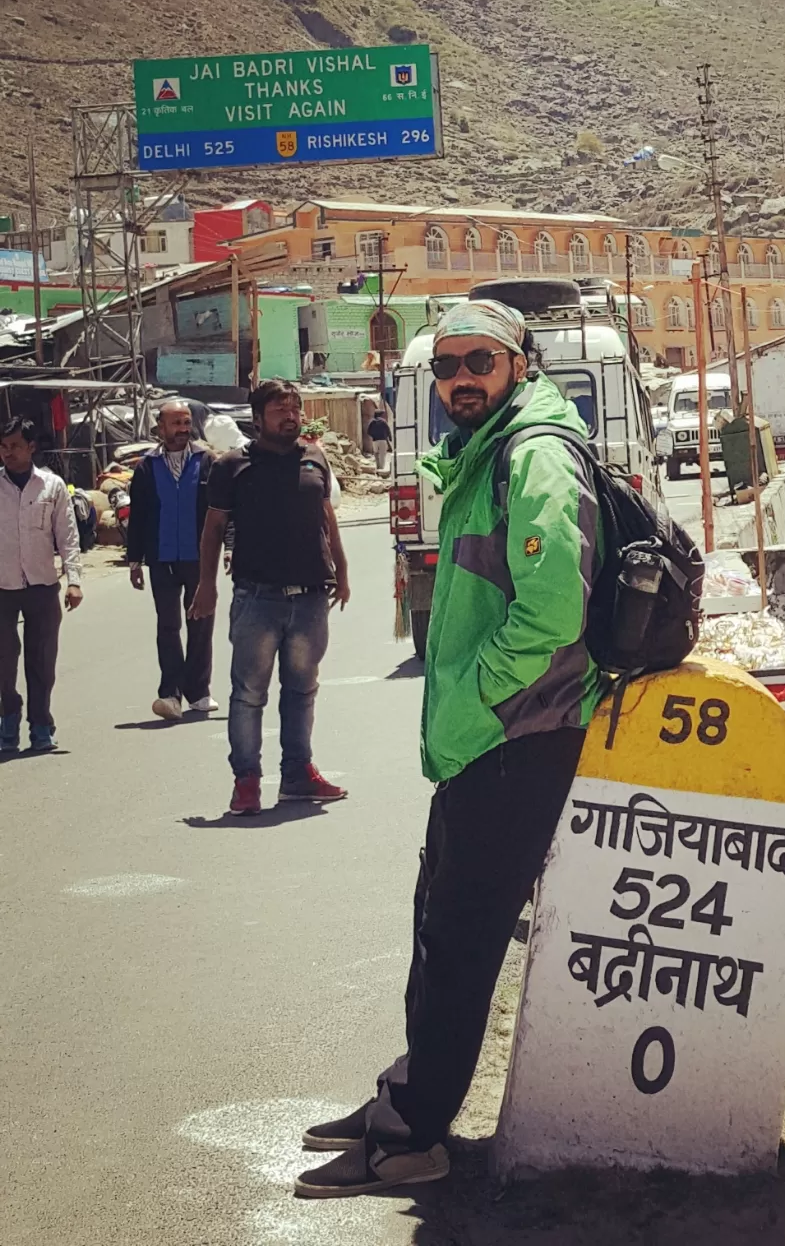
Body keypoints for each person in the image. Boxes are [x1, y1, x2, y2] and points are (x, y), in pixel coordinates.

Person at [294, 298, 602, 1199]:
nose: (460, 378)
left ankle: (417, 1138)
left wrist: (475, 697)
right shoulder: (488, 447)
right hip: (487, 740)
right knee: (441, 930)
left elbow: (552, 611)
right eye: (447, 364)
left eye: (480, 362)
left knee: (462, 939)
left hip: (516, 737)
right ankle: (406, 1096)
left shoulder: (533, 453)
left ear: (520, 364)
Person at [188, 379, 350, 815]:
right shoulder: (231, 466)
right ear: (257, 419)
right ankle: (247, 782)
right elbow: (213, 531)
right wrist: (207, 586)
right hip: (257, 597)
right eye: (280, 410)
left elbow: (325, 516)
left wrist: (342, 568)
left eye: (295, 408)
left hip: (312, 596)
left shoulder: (314, 457)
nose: (291, 415)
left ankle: (298, 776)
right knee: (248, 693)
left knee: (301, 689)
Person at [127, 399, 217, 722]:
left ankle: (199, 691)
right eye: (175, 423)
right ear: (160, 428)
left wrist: (229, 548)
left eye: (186, 422)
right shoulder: (146, 467)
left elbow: (220, 510)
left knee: (201, 623)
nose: (182, 429)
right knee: (168, 626)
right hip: (161, 558)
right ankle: (170, 693)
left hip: (199, 557)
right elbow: (137, 517)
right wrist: (134, 561)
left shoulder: (206, 461)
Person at [0, 416, 83, 752]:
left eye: (15, 446)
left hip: (42, 585)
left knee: (42, 660)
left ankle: (40, 725)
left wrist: (74, 580)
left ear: (31, 447)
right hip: (2, 586)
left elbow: (67, 535)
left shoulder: (52, 486)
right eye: (3, 447)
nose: (8, 453)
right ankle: (8, 719)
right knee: (3, 661)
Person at [367, 408, 392, 475]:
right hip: (383, 440)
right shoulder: (383, 421)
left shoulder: (372, 422)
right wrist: (389, 438)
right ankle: (381, 469)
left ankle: (377, 467)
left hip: (375, 441)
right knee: (382, 455)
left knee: (376, 454)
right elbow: (388, 430)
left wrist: (373, 435)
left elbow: (368, 432)